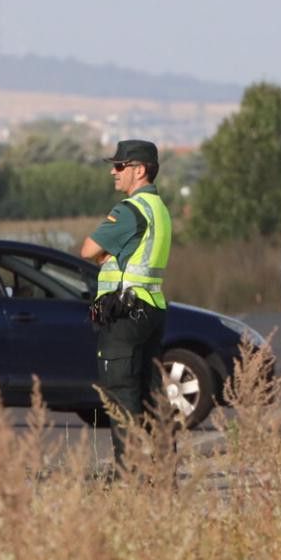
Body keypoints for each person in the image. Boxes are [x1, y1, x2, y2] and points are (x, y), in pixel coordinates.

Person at [79, 139, 172, 465]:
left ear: (140, 170)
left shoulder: (130, 210)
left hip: (125, 312)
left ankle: (130, 474)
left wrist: (106, 252)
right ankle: (163, 472)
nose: (113, 171)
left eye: (120, 166)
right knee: (152, 396)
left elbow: (88, 250)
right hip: (152, 308)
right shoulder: (159, 209)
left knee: (120, 397)